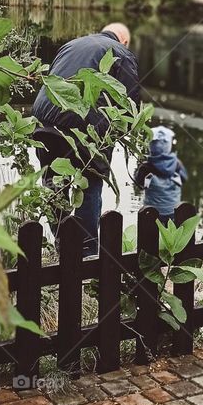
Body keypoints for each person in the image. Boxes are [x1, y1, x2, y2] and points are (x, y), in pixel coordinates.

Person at [32, 22, 140, 254]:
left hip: (43, 120)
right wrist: (119, 134)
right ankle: (87, 252)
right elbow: (130, 103)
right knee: (90, 186)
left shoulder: (70, 45)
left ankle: (63, 245)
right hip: (84, 126)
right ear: (125, 41)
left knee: (52, 180)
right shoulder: (121, 53)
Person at [133, 125, 187, 222]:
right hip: (173, 210)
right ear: (169, 145)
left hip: (152, 211)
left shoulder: (146, 167)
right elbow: (184, 179)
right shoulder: (177, 164)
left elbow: (139, 182)